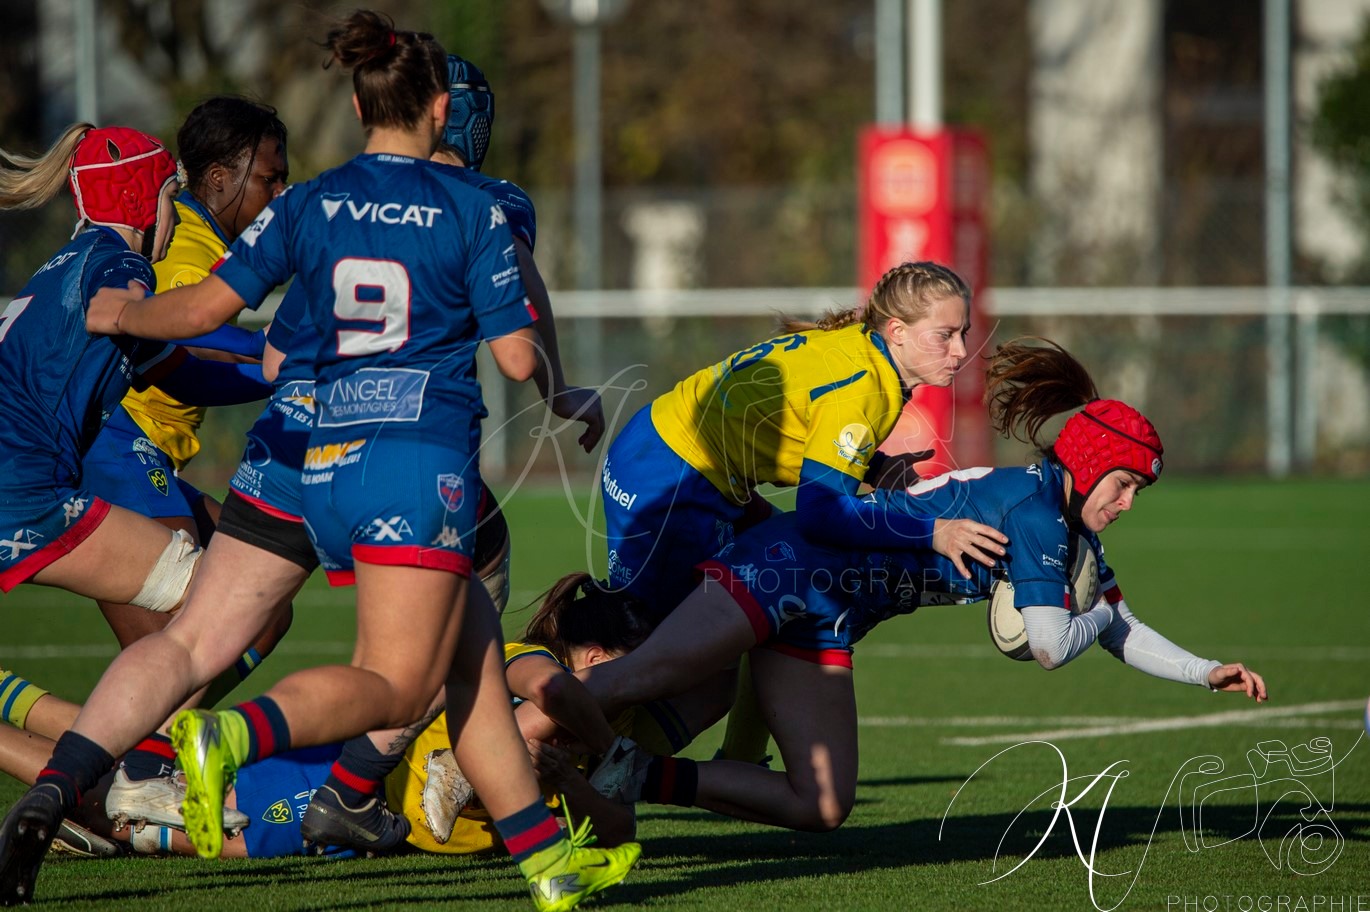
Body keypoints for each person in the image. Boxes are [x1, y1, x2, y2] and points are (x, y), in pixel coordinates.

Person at [0, 12, 639, 912]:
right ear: (444, 106)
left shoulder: (310, 200)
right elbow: (518, 356)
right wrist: (562, 389)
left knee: (420, 656)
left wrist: (115, 317)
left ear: (355, 98)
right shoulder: (479, 206)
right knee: (400, 683)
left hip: (294, 451)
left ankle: (56, 788)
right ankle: (234, 737)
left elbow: (200, 313)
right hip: (406, 461)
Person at [568, 337, 1268, 833]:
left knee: (822, 806)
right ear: (1087, 465)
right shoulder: (1036, 516)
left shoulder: (1065, 530)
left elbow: (1117, 625)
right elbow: (1054, 645)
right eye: (1123, 484)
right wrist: (1076, 611)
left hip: (828, 617)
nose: (1126, 503)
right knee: (638, 676)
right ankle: (491, 753)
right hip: (787, 566)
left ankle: (629, 777)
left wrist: (1207, 672)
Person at [591, 260, 1010, 761]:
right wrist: (930, 532)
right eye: (945, 335)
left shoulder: (866, 348)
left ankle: (738, 760)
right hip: (672, 481)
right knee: (674, 664)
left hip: (668, 456)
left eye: (963, 332)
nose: (961, 350)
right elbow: (821, 514)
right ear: (897, 331)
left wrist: (874, 469)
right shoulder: (863, 389)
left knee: (774, 588)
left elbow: (804, 423)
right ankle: (574, 775)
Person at [0, 571, 653, 859]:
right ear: (592, 654)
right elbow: (552, 698)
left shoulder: (605, 729)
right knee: (134, 821)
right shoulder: (529, 662)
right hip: (325, 786)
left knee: (118, 773)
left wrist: (571, 783)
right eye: (630, 663)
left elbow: (622, 826)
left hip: (359, 815)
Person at [83, 97, 292, 830]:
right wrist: (281, 372)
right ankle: (125, 774)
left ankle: (134, 759)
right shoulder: (188, 253)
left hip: (150, 459)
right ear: (216, 177)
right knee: (193, 627)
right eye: (270, 179)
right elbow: (166, 361)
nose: (280, 197)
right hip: (114, 445)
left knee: (262, 609)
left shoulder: (214, 247)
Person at [0, 123, 270, 617]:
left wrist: (278, 376)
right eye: (171, 198)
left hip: (23, 480)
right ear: (138, 198)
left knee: (222, 605)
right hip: (23, 488)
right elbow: (162, 319)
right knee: (218, 607)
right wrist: (264, 343)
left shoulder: (68, 264)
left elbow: (187, 376)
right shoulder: (118, 263)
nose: (176, 215)